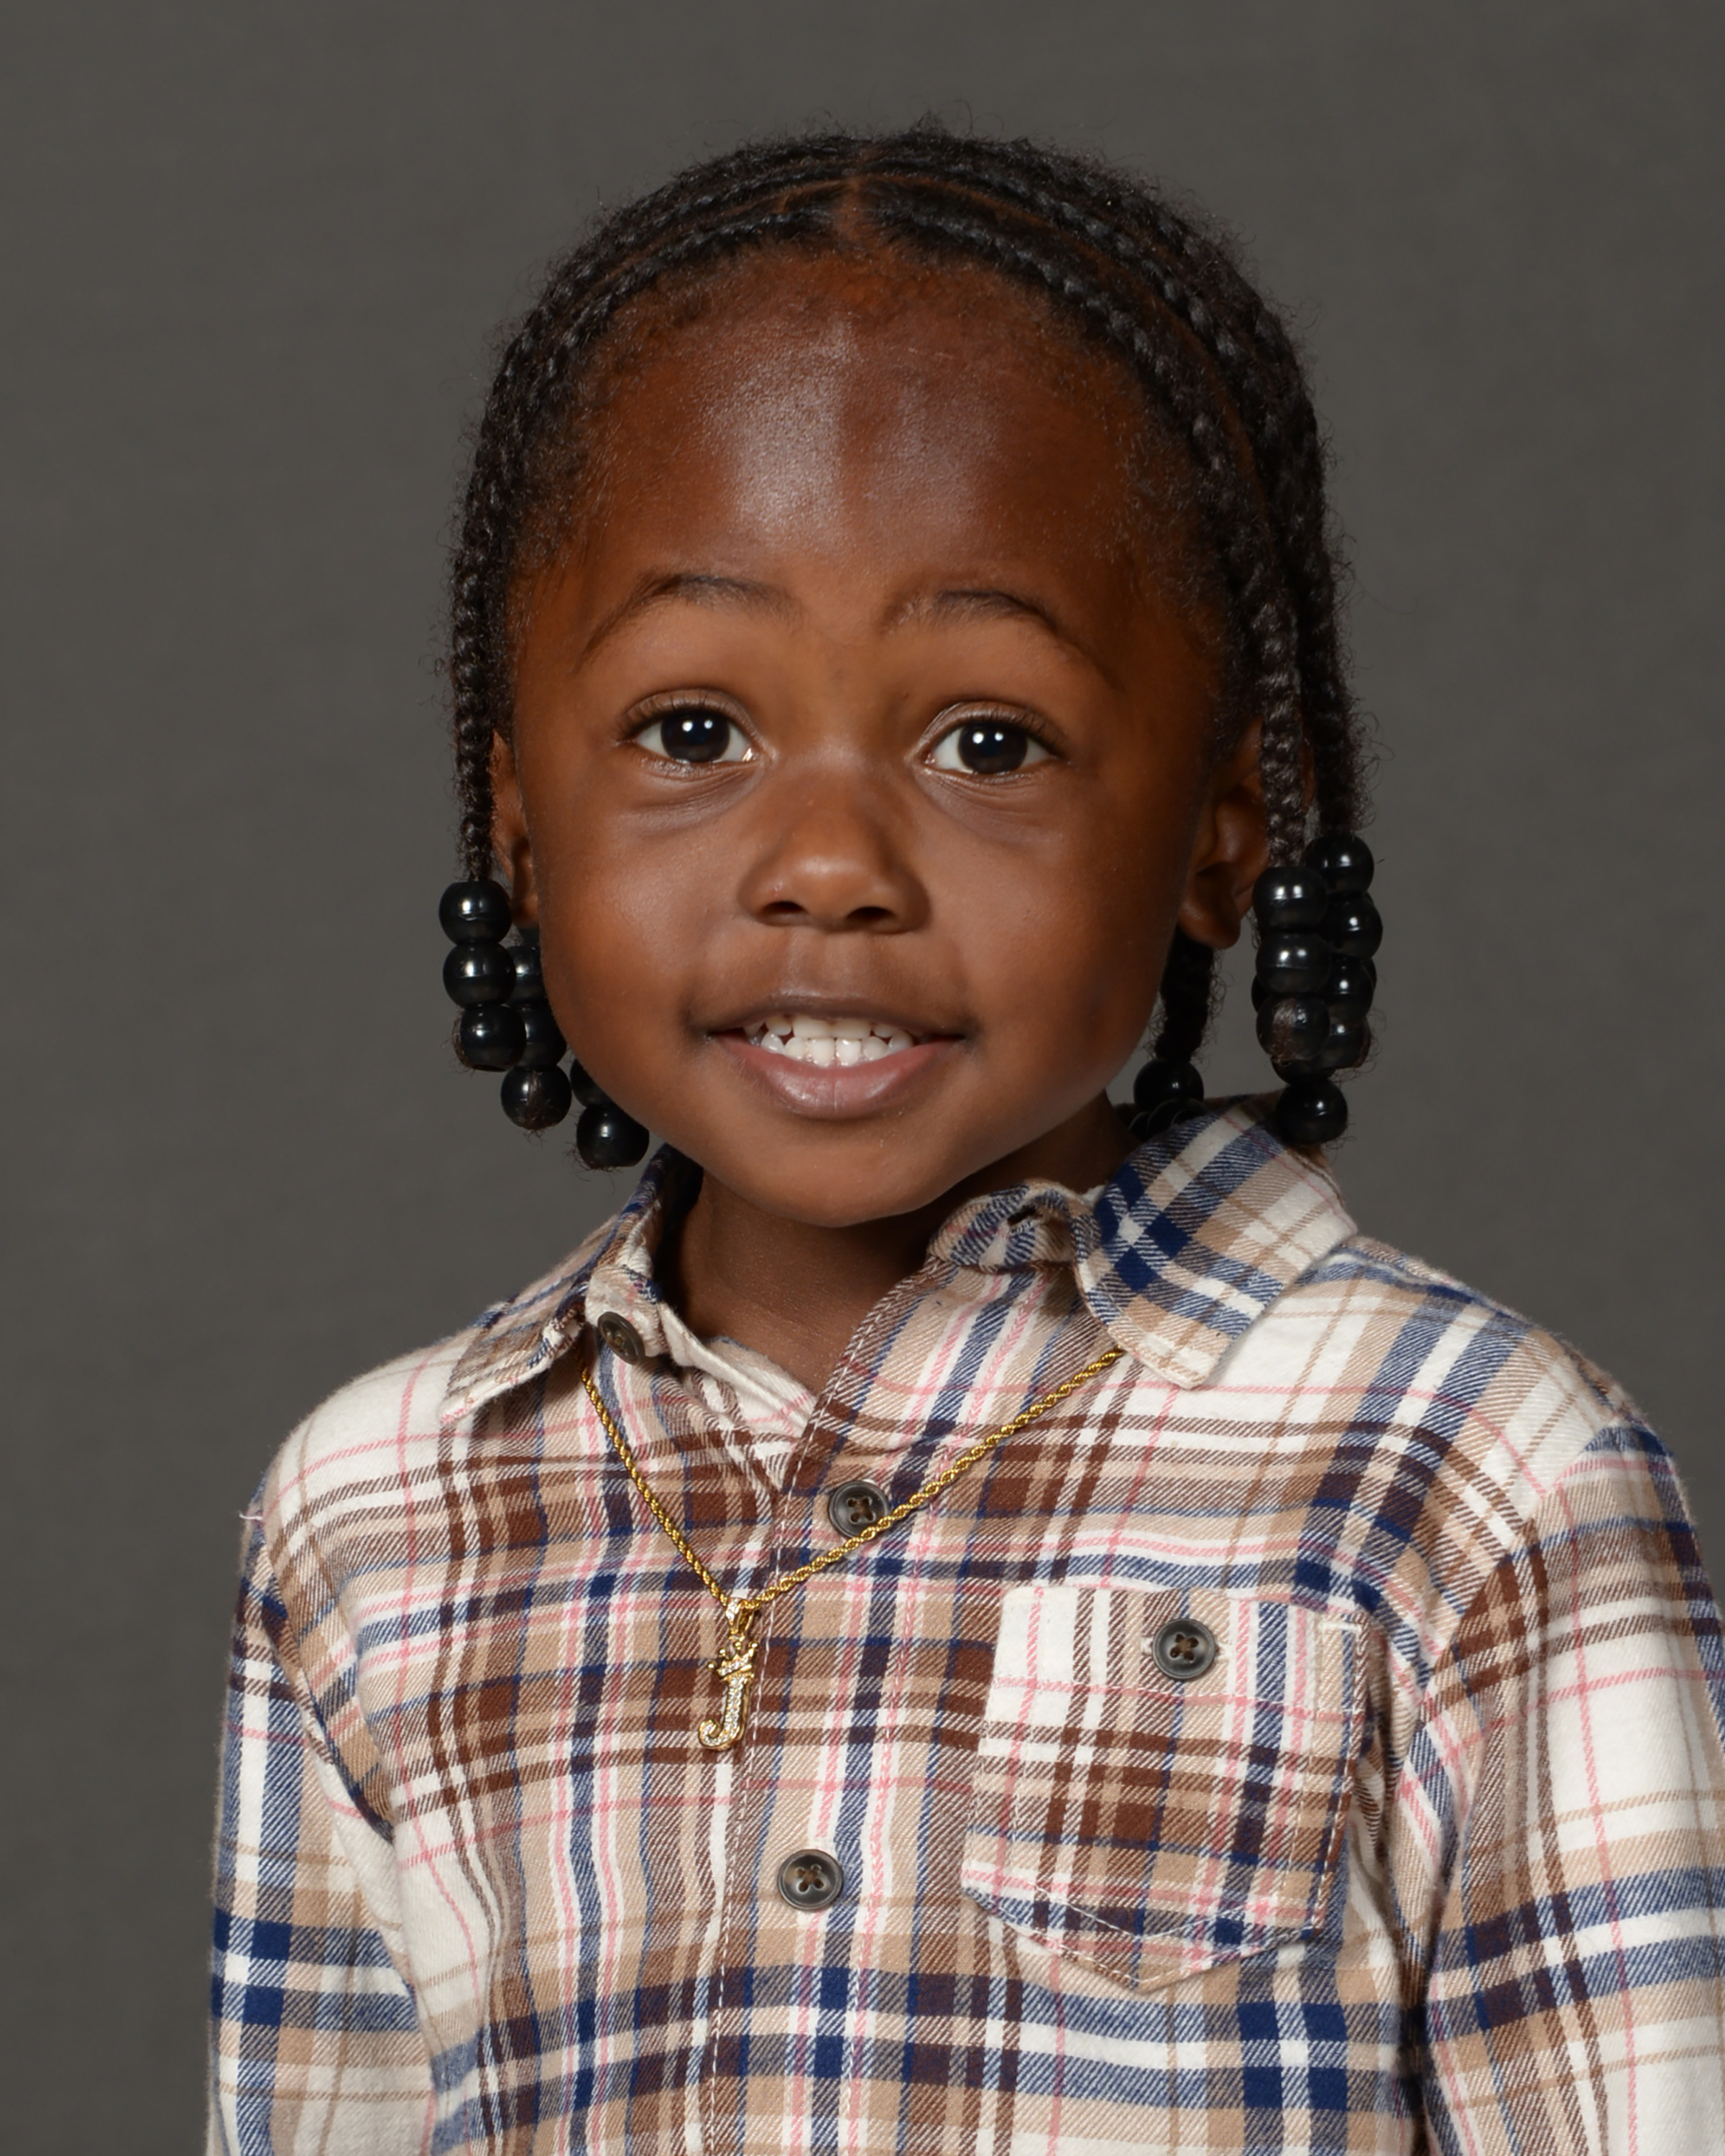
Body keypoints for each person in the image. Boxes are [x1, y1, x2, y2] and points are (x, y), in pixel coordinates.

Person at [207, 129, 1725, 2155]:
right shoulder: (378, 1515)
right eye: (693, 732)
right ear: (518, 821)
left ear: (1225, 828)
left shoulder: (1470, 1475)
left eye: (987, 742)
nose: (829, 864)